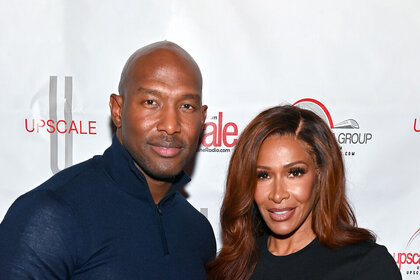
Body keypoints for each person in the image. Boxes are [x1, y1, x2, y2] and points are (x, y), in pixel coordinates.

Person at [0, 41, 216, 279]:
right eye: (151, 102)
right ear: (117, 110)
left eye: (186, 106)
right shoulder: (50, 215)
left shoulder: (198, 231)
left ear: (202, 118)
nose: (170, 125)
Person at [207, 105, 401, 280]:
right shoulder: (232, 268)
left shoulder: (366, 267)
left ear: (321, 174)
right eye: (263, 175)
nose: (277, 194)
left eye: (295, 173)